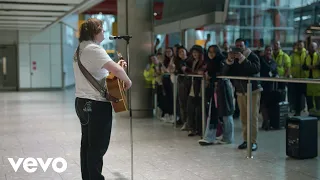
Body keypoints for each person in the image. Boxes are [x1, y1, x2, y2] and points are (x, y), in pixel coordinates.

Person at [73, 18, 132, 180]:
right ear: (95, 32)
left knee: (87, 144)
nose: (104, 32)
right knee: (97, 146)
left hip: (81, 102)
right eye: (102, 30)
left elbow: (101, 71)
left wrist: (117, 67)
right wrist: (128, 80)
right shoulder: (94, 49)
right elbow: (116, 71)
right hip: (96, 104)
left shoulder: (80, 49)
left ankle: (88, 177)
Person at [222, 38, 261, 151]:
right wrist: (229, 61)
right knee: (243, 117)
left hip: (253, 90)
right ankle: (246, 140)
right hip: (240, 91)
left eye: (241, 45)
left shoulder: (252, 56)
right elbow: (225, 72)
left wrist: (242, 59)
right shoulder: (233, 58)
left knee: (252, 117)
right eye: (237, 45)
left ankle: (253, 141)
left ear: (245, 45)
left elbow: (255, 69)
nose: (239, 47)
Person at [260, 45, 278, 130]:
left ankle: (267, 121)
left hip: (270, 86)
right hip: (262, 85)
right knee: (263, 104)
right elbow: (266, 69)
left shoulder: (273, 61)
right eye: (267, 50)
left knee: (268, 104)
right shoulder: (261, 60)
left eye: (270, 50)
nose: (268, 52)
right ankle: (266, 121)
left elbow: (273, 69)